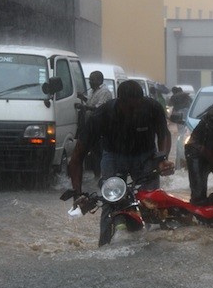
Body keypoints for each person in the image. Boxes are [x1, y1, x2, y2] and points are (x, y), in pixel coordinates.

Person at [68, 80, 175, 246]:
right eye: (131, 108)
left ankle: (154, 244)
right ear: (120, 102)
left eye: (138, 107)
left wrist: (163, 159)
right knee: (110, 201)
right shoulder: (101, 115)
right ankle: (104, 244)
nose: (135, 112)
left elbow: (164, 134)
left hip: (146, 156)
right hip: (114, 156)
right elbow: (77, 157)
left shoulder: (152, 108)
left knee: (152, 201)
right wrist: (77, 193)